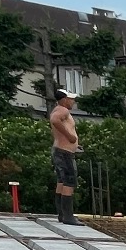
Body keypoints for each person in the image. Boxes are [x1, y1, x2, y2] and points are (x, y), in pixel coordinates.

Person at [49, 88, 80, 224]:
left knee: (61, 181)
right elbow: (55, 120)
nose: (73, 102)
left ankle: (62, 215)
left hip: (60, 150)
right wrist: (70, 137)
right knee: (69, 181)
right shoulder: (62, 110)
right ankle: (68, 216)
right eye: (71, 99)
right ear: (64, 99)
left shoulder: (57, 109)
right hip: (64, 152)